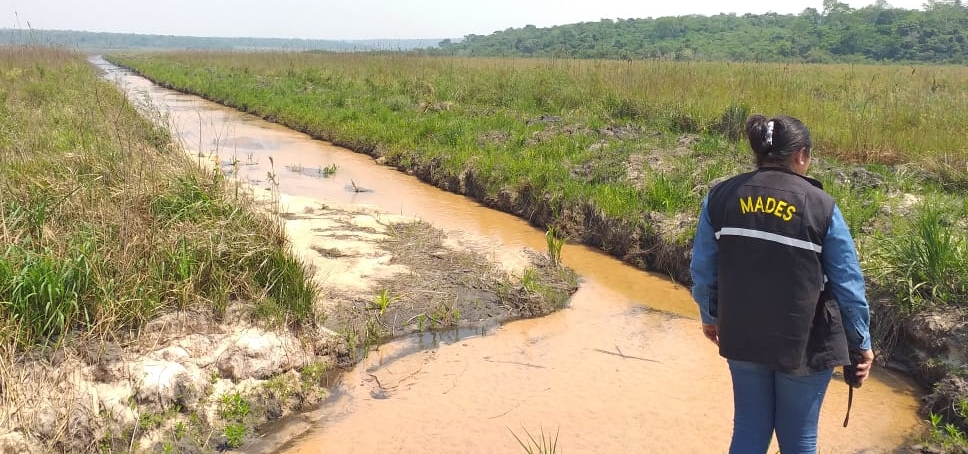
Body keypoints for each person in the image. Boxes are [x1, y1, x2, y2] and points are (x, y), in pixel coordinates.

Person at [689, 114, 875, 454]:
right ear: (801, 155)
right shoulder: (821, 206)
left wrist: (711, 316)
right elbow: (848, 283)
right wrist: (861, 342)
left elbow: (703, 269)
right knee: (800, 439)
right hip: (804, 341)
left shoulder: (721, 197)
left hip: (742, 332)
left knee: (748, 430)